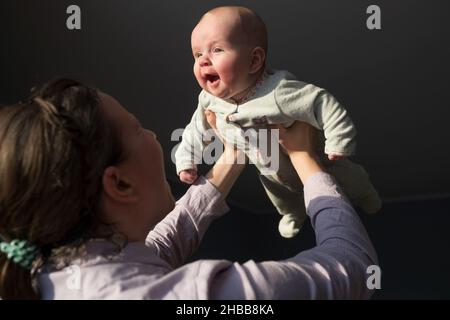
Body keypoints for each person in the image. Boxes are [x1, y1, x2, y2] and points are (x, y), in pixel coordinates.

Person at [0, 78, 377, 299]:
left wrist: (233, 153)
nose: (152, 134)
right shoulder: (190, 298)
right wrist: (303, 157)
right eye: (137, 129)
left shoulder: (57, 272)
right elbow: (354, 268)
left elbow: (157, 249)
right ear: (119, 182)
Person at [175, 6, 381, 238]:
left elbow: (320, 102)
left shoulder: (277, 92)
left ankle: (366, 194)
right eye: (197, 54)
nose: (203, 61)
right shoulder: (208, 100)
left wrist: (338, 139)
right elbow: (195, 129)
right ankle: (294, 214)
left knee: (347, 180)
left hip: (318, 160)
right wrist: (187, 159)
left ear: (254, 61)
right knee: (281, 197)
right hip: (270, 167)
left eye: (217, 50)